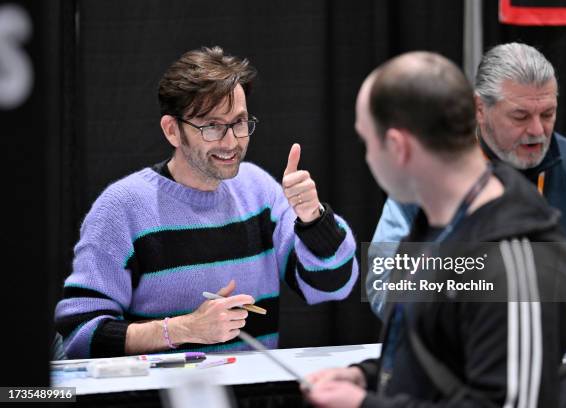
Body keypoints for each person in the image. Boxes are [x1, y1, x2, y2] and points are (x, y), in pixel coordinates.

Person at [305, 51, 566, 407]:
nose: (368, 157)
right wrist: (367, 375)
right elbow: (437, 353)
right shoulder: (434, 224)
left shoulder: (511, 255)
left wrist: (364, 404)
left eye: (367, 142)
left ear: (398, 148)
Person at [55, 46, 358, 358]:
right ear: (172, 130)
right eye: (212, 126)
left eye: (239, 123)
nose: (230, 142)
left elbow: (332, 286)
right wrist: (183, 329)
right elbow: (80, 336)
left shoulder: (258, 190)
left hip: (255, 392)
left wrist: (314, 220)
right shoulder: (122, 207)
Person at [368, 42, 566, 318]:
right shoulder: (426, 176)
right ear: (480, 109)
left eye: (547, 114)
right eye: (520, 116)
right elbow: (382, 285)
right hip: (466, 355)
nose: (537, 130)